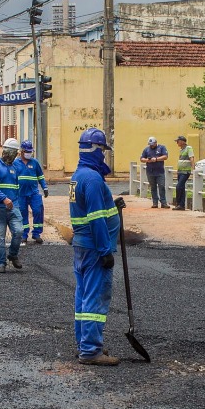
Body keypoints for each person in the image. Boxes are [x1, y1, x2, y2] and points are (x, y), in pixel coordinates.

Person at [70, 127, 122, 366]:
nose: (104, 156)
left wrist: (111, 203)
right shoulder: (92, 178)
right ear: (95, 149)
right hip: (94, 248)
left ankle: (84, 344)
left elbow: (92, 208)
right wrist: (105, 251)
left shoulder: (79, 175)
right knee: (94, 298)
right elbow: (96, 218)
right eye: (102, 150)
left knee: (83, 297)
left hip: (82, 246)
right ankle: (91, 350)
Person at [0, 137, 25, 273]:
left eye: (15, 153)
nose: (14, 156)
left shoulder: (15, 168)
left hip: (13, 206)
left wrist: (16, 202)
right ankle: (1, 263)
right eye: (12, 153)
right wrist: (4, 199)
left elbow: (16, 187)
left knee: (19, 231)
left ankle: (13, 254)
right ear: (6, 152)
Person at [16, 140, 49, 244]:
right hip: (20, 194)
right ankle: (24, 235)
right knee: (22, 213)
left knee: (38, 210)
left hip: (34, 193)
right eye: (27, 151)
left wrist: (45, 187)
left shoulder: (35, 162)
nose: (29, 153)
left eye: (30, 151)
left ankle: (36, 233)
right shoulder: (15, 163)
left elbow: (40, 176)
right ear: (21, 151)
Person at [140, 136, 169, 208]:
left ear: (156, 142)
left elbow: (165, 156)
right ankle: (155, 202)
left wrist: (156, 159)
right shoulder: (146, 149)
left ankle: (163, 202)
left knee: (161, 186)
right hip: (150, 171)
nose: (151, 146)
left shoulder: (162, 147)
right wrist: (147, 160)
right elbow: (141, 158)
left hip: (160, 171)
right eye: (150, 144)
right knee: (153, 187)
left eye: (152, 144)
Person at [171, 135, 194, 210]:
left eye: (178, 141)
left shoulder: (189, 148)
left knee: (178, 187)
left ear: (182, 141)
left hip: (185, 172)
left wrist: (193, 169)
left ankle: (179, 204)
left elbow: (191, 158)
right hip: (180, 171)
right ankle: (181, 205)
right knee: (182, 187)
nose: (177, 143)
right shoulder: (181, 150)